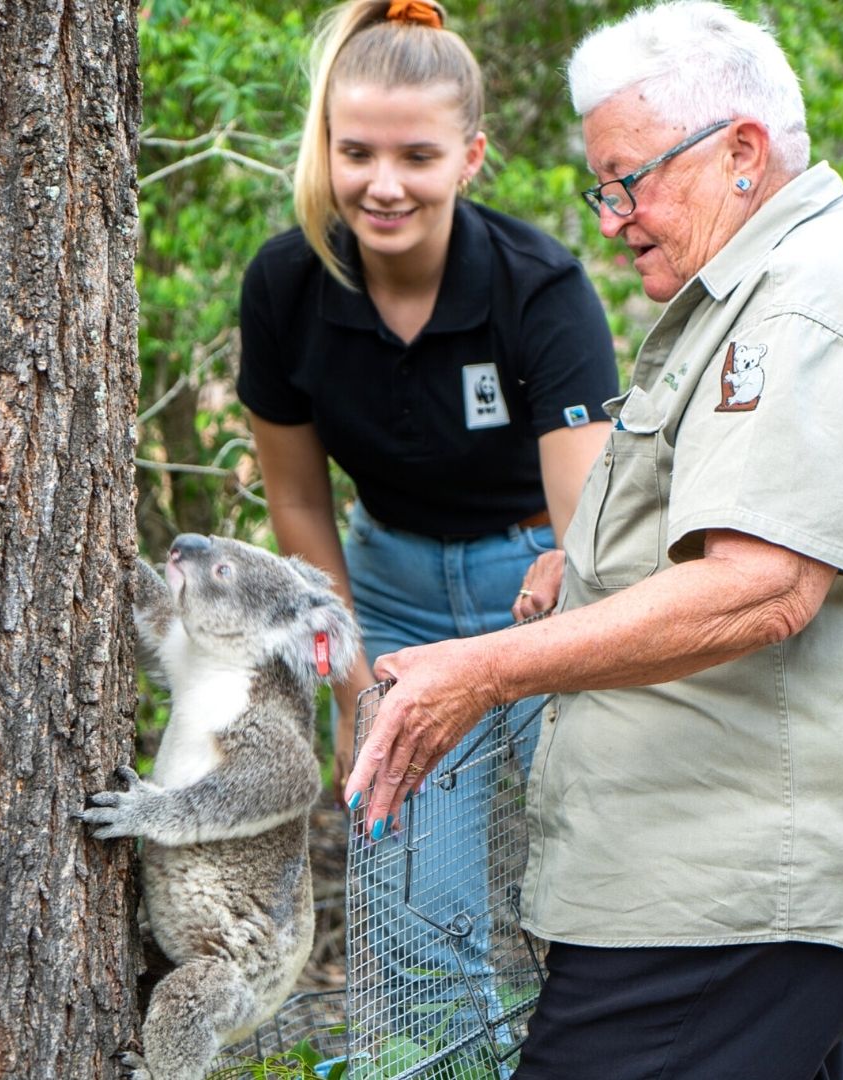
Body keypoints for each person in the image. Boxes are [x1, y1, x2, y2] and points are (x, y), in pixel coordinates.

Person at [344, 3, 843, 1078]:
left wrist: (484, 672)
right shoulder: (767, 282)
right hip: (709, 866)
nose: (612, 217)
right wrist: (597, 560)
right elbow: (756, 516)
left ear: (742, 152)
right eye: (605, 186)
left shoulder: (810, 302)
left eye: (629, 180)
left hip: (734, 887)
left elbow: (761, 589)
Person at [236, 0, 618, 1044]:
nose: (384, 183)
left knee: (604, 869)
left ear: (471, 155)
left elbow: (587, 518)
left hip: (541, 590)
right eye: (356, 151)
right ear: (327, 147)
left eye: (417, 153)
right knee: (413, 899)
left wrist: (544, 629)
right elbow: (300, 501)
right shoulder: (285, 286)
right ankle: (451, 1060)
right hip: (388, 590)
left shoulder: (540, 287)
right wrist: (354, 671)